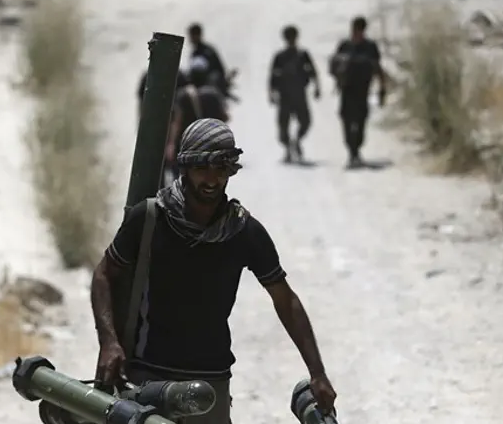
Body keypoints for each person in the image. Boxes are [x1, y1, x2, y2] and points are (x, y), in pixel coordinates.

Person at [91, 118, 338, 424]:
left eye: (221, 168)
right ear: (185, 167)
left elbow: (285, 300)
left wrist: (317, 372)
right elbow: (104, 275)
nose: (211, 179)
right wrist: (109, 342)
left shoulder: (243, 231)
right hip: (147, 377)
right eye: (202, 168)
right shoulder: (150, 219)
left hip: (211, 381)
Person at [329, 16, 386, 169]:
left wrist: (382, 89)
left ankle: (356, 150)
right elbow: (333, 66)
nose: (356, 33)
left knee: (361, 121)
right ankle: (352, 152)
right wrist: (338, 77)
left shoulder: (370, 47)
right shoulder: (344, 46)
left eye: (359, 30)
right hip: (346, 90)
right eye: (354, 30)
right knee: (346, 120)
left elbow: (378, 68)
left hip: (362, 91)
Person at [164, 57, 229, 182]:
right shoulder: (214, 95)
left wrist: (171, 145)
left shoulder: (184, 95)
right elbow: (225, 118)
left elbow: (177, 123)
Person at [269, 25, 321, 163]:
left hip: (299, 94)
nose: (291, 40)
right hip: (285, 96)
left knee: (305, 122)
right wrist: (271, 93)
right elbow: (273, 76)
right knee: (283, 126)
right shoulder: (280, 56)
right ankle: (288, 149)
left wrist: (317, 87)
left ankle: (296, 141)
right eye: (289, 38)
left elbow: (313, 71)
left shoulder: (303, 55)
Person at [187, 23, 233, 99]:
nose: (190, 38)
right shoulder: (194, 53)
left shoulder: (208, 51)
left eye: (192, 35)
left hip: (210, 88)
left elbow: (219, 70)